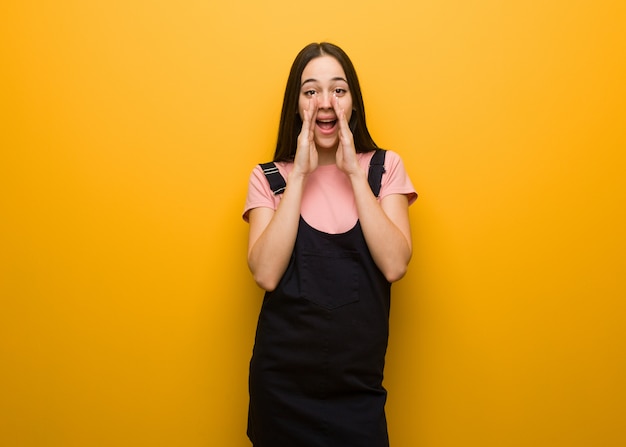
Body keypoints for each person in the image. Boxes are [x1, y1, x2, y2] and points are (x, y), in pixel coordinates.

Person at [242, 42, 417, 447]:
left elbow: (395, 265)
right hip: (281, 392)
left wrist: (354, 174)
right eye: (311, 91)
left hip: (358, 390)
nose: (326, 102)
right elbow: (265, 274)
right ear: (296, 104)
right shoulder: (269, 177)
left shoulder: (383, 168)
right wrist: (300, 174)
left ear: (353, 102)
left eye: (338, 90)